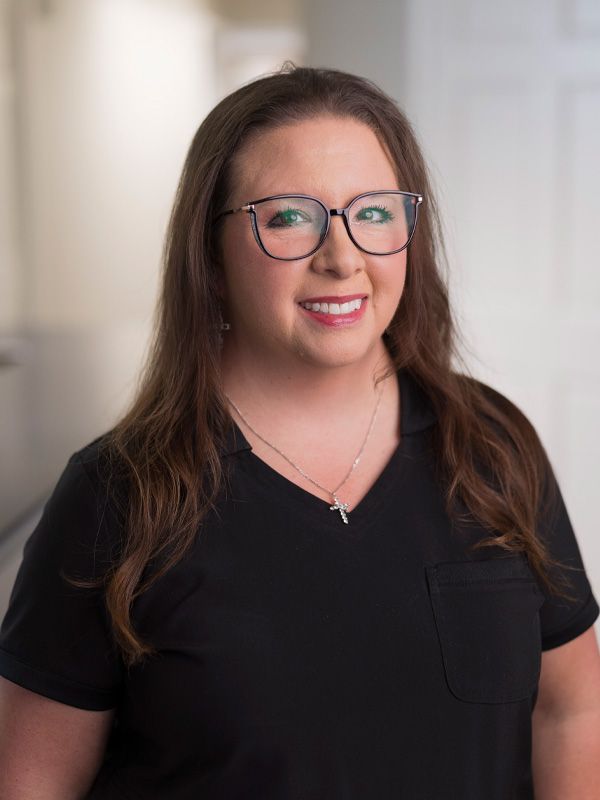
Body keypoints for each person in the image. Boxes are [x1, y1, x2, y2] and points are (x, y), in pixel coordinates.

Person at [0, 64, 599, 800]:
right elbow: (31, 782)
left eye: (374, 213)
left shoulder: (493, 447)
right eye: (287, 217)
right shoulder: (120, 496)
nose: (342, 257)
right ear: (210, 256)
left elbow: (570, 708)